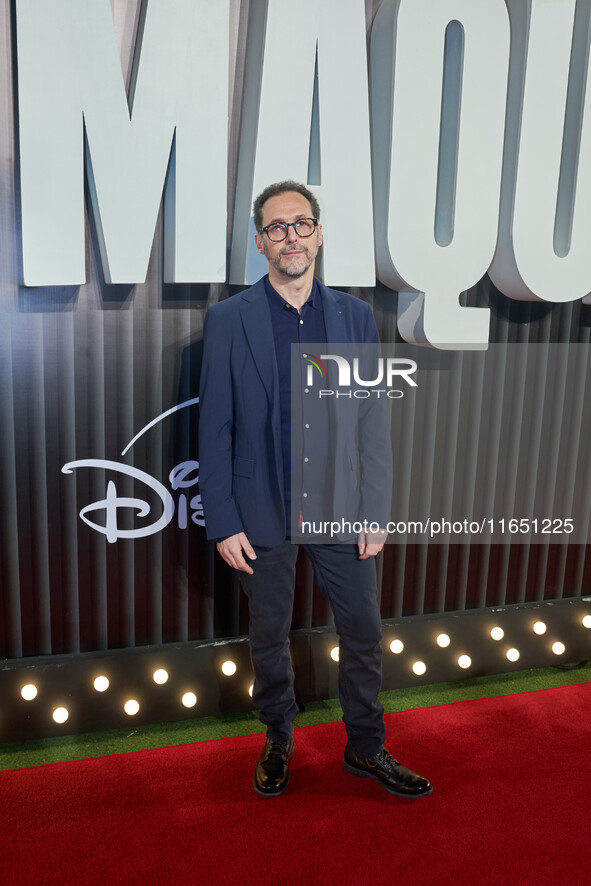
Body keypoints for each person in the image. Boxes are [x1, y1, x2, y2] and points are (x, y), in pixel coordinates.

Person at [198, 181, 432, 798]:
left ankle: (367, 748)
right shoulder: (228, 320)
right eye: (277, 228)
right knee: (269, 637)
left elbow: (372, 424)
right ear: (261, 243)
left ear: (318, 234)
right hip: (260, 510)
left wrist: (376, 511)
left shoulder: (354, 317)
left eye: (301, 224)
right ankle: (278, 738)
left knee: (363, 634)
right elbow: (214, 426)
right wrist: (223, 520)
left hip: (342, 509)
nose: (290, 237)